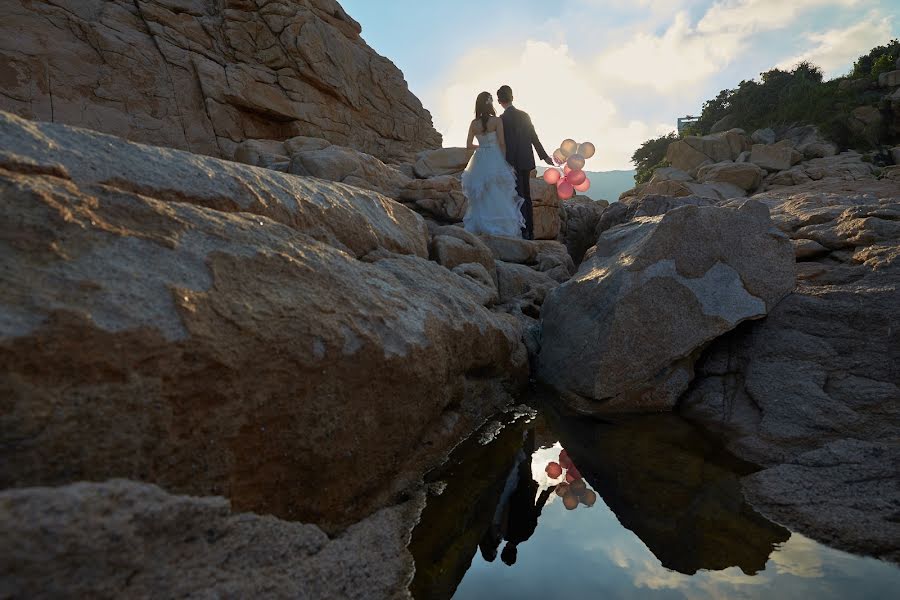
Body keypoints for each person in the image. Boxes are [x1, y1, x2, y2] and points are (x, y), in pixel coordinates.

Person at [460, 91, 526, 237]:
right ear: (490, 104)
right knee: (497, 191)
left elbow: (469, 145)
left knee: (481, 192)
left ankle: (481, 225)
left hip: (480, 159)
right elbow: (502, 143)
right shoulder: (496, 121)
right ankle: (500, 226)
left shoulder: (473, 123)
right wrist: (503, 161)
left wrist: (482, 147)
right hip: (495, 156)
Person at [497, 85, 553, 240]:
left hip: (510, 162)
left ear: (499, 101)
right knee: (526, 196)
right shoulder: (525, 115)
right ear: (512, 97)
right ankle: (530, 231)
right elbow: (534, 138)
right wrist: (545, 157)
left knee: (516, 195)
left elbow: (500, 143)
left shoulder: (501, 119)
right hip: (526, 159)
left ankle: (521, 230)